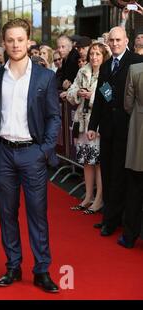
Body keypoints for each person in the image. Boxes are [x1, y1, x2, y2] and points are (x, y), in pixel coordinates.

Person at [0, 19, 61, 293]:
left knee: (37, 214)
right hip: (4, 153)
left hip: (33, 153)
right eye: (10, 40)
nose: (16, 45)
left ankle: (41, 269)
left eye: (20, 39)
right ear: (4, 43)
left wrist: (44, 151)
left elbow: (54, 117)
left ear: (29, 41)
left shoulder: (45, 77)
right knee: (6, 213)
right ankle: (12, 266)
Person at [87, 26, 143, 237]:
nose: (115, 44)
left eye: (118, 40)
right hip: (108, 128)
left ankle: (115, 221)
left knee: (122, 176)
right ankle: (110, 217)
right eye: (112, 40)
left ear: (126, 40)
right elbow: (102, 96)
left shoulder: (136, 62)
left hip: (130, 128)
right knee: (109, 173)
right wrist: (93, 126)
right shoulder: (107, 65)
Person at [67, 43, 110, 215]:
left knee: (98, 162)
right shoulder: (82, 71)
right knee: (86, 161)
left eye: (98, 54)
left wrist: (92, 95)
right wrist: (78, 93)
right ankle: (88, 197)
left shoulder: (107, 72)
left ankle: (99, 199)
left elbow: (109, 98)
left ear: (104, 56)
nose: (94, 57)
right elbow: (71, 91)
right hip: (82, 122)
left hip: (98, 124)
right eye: (92, 53)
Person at [118, 62, 143, 249]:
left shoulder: (135, 70)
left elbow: (127, 104)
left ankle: (129, 237)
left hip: (138, 132)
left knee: (135, 187)